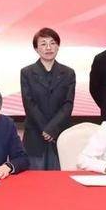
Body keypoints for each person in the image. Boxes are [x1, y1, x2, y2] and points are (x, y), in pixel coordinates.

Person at [20, 27, 75, 170]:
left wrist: (52, 129)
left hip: (60, 134)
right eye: (43, 44)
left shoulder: (68, 73)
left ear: (58, 46)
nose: (48, 48)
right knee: (34, 179)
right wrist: (46, 129)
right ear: (36, 49)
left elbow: (68, 104)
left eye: (52, 43)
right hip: (35, 135)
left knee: (59, 179)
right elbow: (29, 104)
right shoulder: (27, 73)